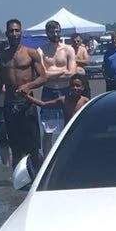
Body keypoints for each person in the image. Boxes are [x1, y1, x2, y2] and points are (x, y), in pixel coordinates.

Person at [0, 19, 47, 169]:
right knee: (15, 148)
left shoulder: (31, 53)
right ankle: (17, 186)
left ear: (21, 32)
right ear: (6, 34)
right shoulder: (1, 57)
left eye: (17, 30)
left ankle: (37, 181)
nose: (14, 33)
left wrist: (29, 85)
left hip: (27, 104)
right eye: (11, 31)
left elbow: (44, 77)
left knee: (33, 147)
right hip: (10, 105)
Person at [38, 20, 76, 155]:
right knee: (48, 130)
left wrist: (51, 73)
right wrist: (61, 71)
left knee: (68, 127)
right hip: (49, 91)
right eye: (52, 31)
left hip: (65, 91)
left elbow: (71, 73)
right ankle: (47, 159)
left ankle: (67, 156)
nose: (55, 33)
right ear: (47, 32)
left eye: (57, 31)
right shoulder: (41, 50)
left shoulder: (68, 49)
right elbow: (42, 74)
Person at [25, 73, 91, 124]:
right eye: (73, 85)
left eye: (78, 86)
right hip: (67, 133)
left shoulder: (86, 101)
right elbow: (44, 104)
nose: (75, 88)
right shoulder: (63, 100)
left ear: (83, 88)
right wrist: (27, 97)